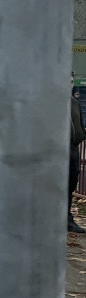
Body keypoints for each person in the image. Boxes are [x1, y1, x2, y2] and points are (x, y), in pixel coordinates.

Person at [71, 85, 86, 233]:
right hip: (57, 150)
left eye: (71, 81)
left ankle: (67, 219)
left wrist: (80, 136)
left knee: (71, 183)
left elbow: (80, 124)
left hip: (73, 150)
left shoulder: (74, 103)